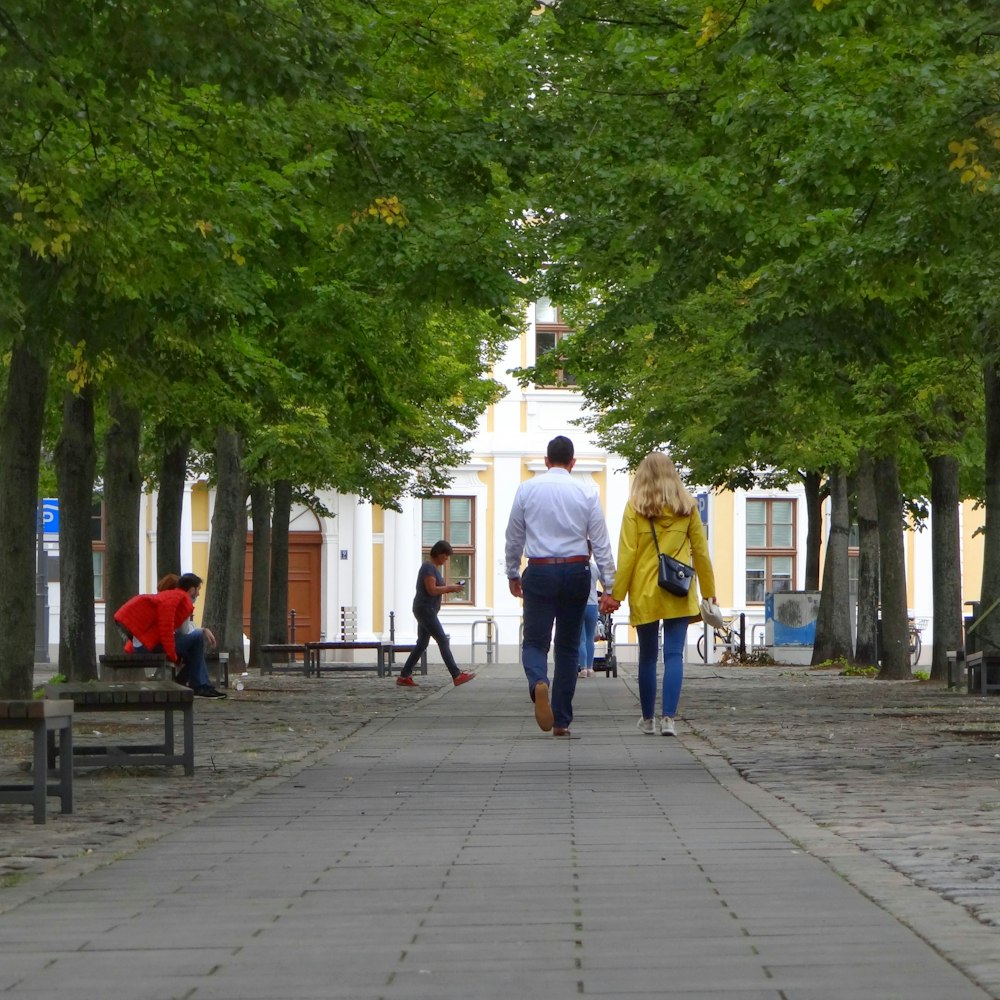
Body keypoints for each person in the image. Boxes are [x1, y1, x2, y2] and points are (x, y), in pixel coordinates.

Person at [505, 435, 616, 737]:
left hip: (539, 571)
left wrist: (512, 573)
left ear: (545, 461)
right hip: (577, 571)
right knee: (568, 647)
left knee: (535, 642)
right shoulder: (587, 493)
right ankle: (561, 721)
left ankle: (539, 681)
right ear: (572, 462)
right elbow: (601, 542)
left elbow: (514, 537)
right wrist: (609, 585)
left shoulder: (526, 490)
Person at [602, 452, 716, 736]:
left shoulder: (635, 508)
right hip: (678, 589)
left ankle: (648, 719)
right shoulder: (688, 507)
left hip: (645, 591)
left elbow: (627, 555)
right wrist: (709, 592)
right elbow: (700, 552)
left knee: (648, 657)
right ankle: (669, 719)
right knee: (675, 655)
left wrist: (616, 594)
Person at [114, 573, 226, 699]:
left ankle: (184, 683)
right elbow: (170, 629)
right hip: (147, 647)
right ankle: (199, 686)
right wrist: (173, 655)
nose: (199, 594)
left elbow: (180, 631)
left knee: (194, 651)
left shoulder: (172, 597)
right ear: (192, 589)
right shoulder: (180, 599)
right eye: (199, 589)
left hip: (144, 644)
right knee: (197, 638)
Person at [396, 540, 476, 688]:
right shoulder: (428, 568)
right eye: (445, 556)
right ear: (439, 554)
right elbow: (431, 590)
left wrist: (451, 588)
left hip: (426, 609)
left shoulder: (433, 569)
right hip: (425, 609)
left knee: (422, 643)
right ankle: (456, 675)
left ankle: (404, 675)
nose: (446, 559)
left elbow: (436, 589)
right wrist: (450, 588)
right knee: (442, 640)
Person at [577, 543, 600, 678]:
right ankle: (590, 668)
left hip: (580, 604)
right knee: (590, 637)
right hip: (593, 604)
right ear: (591, 552)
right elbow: (604, 582)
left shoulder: (577, 568)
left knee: (581, 639)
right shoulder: (595, 568)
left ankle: (583, 668)